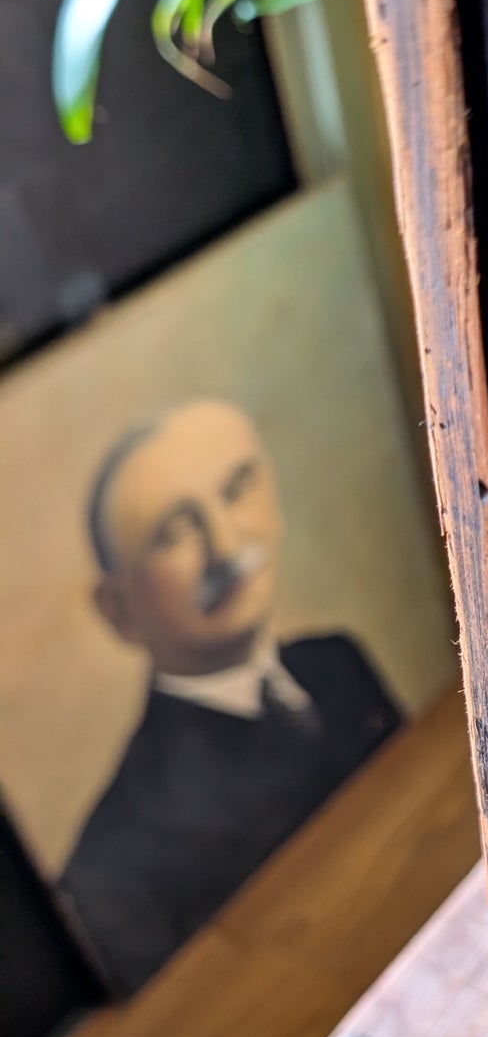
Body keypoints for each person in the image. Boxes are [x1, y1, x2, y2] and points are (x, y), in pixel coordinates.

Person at [59, 400, 401, 996]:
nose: (225, 546)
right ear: (118, 609)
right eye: (176, 531)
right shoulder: (112, 862)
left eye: (236, 490)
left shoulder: (335, 663)